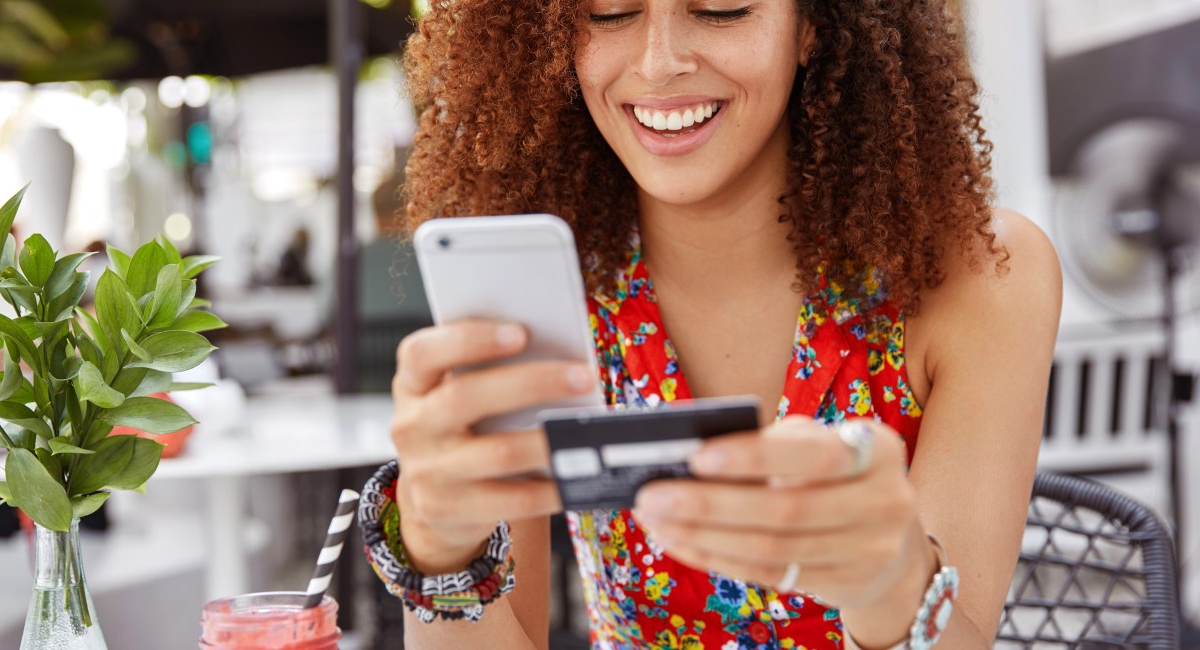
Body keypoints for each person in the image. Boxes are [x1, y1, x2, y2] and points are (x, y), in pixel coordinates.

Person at [360, 1, 1062, 648]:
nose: (659, 61)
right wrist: (438, 550)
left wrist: (894, 586)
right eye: (610, 10)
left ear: (814, 21)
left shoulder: (982, 277)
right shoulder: (541, 287)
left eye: (721, 6)